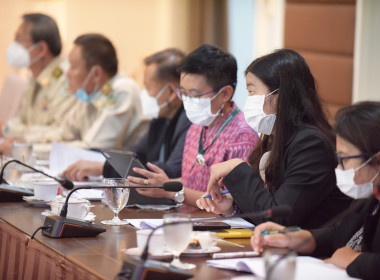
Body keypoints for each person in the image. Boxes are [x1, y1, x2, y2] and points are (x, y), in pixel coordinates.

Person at [196, 49, 352, 228]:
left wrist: (235, 167)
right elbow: (267, 204)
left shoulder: (311, 144)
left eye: (253, 92)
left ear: (280, 95)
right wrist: (231, 206)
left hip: (315, 252)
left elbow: (277, 217)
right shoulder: (274, 138)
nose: (249, 100)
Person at [251, 101, 380, 280]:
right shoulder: (371, 195)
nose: (340, 168)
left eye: (345, 159)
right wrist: (298, 238)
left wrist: (354, 259)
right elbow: (338, 233)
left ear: (377, 160)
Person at [127, 44, 259, 207]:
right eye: (183, 93)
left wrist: (170, 190)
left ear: (225, 93)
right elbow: (193, 180)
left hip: (220, 227)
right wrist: (161, 183)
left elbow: (231, 202)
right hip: (189, 218)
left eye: (195, 95)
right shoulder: (197, 125)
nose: (187, 101)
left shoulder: (242, 136)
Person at [61, 48, 191, 181]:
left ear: (170, 92)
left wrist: (102, 167)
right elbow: (136, 153)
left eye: (147, 87)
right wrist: (93, 154)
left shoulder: (188, 120)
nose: (144, 94)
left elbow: (170, 171)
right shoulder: (161, 119)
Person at [22, 33, 148, 150]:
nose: (67, 74)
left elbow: (93, 148)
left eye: (73, 67)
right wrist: (25, 141)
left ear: (96, 74)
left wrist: (30, 149)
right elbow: (64, 133)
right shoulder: (90, 94)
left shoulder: (121, 91)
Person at [0, 13, 77, 154]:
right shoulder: (35, 77)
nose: (13, 46)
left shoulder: (66, 78)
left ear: (41, 49)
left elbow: (59, 132)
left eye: (19, 40)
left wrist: (14, 136)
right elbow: (23, 119)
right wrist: (7, 129)